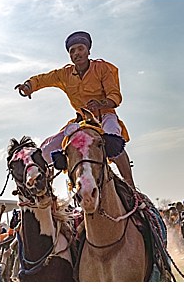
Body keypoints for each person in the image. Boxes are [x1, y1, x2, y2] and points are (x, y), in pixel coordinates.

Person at [15, 31, 134, 185]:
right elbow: (44, 79)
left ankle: (131, 186)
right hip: (81, 121)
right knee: (46, 151)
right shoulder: (65, 74)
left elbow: (115, 96)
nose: (77, 53)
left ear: (88, 51)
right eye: (72, 51)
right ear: (70, 56)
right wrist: (29, 86)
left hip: (104, 115)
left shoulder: (103, 68)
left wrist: (101, 104)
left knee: (113, 140)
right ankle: (46, 196)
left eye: (80, 48)